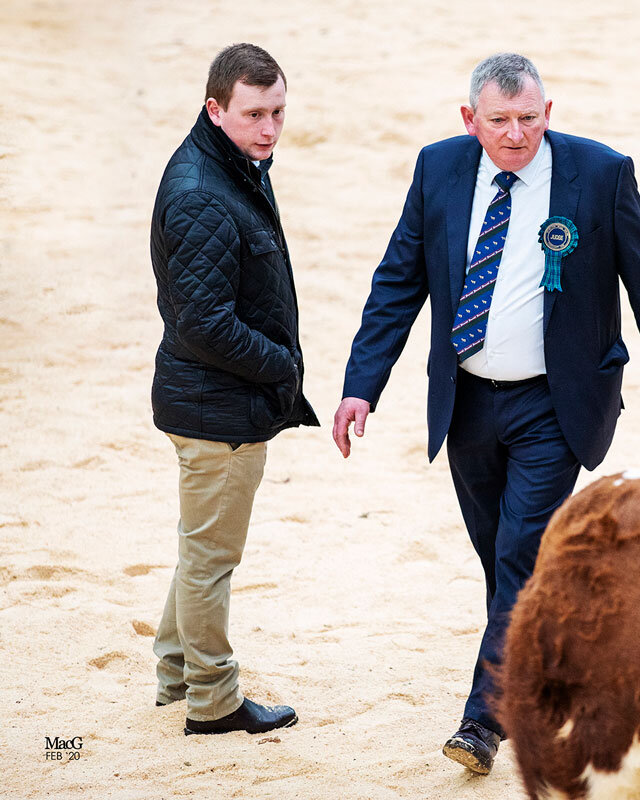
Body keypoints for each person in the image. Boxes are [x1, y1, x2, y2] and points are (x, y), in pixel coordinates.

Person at [332, 53, 640, 774]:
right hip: (466, 400)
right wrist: (361, 385)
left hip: (554, 402)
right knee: (502, 563)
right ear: (469, 119)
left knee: (516, 553)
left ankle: (484, 720)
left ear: (549, 113)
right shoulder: (438, 170)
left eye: (529, 119)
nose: (515, 136)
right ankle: (551, 662)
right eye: (499, 121)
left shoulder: (599, 173)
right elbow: (396, 283)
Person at [149, 43, 318, 736]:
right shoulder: (200, 194)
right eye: (254, 114)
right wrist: (280, 365)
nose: (270, 128)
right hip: (218, 407)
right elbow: (203, 322)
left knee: (201, 546)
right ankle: (213, 700)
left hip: (216, 399)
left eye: (278, 111)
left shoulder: (231, 165)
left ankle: (173, 671)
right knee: (213, 558)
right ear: (214, 109)